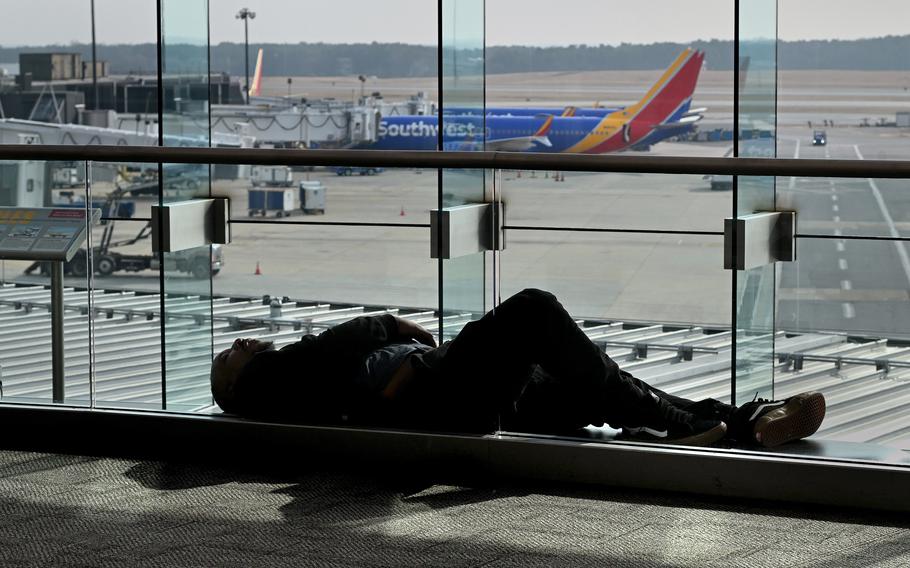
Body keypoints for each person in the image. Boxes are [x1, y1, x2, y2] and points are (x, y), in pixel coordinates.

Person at [211, 288, 826, 447]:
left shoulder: (284, 385)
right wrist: (393, 326)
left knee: (592, 381)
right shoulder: (273, 380)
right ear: (235, 385)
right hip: (440, 395)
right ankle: (684, 423)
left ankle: (738, 423)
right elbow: (342, 348)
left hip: (444, 388)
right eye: (231, 353)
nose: (242, 342)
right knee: (534, 311)